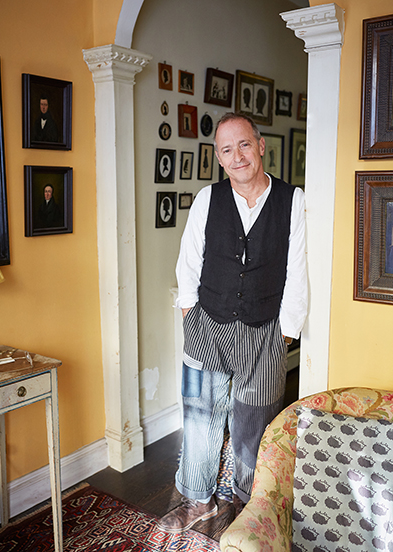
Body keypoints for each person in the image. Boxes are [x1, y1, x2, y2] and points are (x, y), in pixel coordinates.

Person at [158, 112, 308, 534]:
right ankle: (196, 498)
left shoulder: (292, 200)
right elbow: (189, 259)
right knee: (200, 417)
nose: (237, 156)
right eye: (227, 149)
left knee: (254, 423)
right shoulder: (208, 198)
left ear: (261, 146)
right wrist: (190, 312)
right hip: (208, 322)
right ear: (219, 158)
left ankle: (247, 504)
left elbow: (297, 270)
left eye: (244, 144)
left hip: (264, 330)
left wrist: (286, 332)